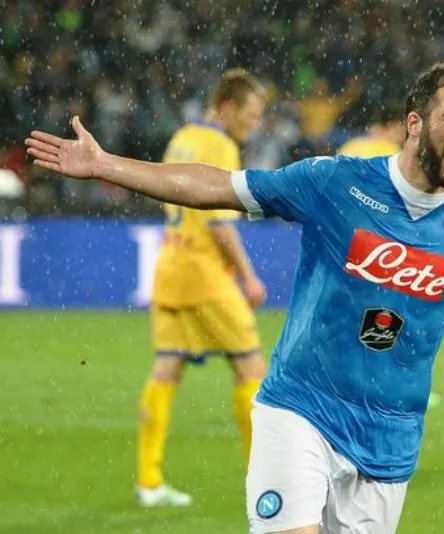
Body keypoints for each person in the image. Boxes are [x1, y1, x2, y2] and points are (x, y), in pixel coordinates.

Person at [27, 62, 444, 534]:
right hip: (300, 411)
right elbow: (220, 186)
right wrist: (108, 166)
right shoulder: (335, 183)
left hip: (389, 443)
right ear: (416, 123)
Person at [135, 69, 269, 506]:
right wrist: (247, 275)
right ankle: (264, 479)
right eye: (251, 114)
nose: (255, 123)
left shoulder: (183, 137)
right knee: (252, 370)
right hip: (204, 272)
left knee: (166, 369)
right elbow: (218, 221)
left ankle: (148, 482)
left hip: (170, 264)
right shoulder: (219, 144)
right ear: (228, 106)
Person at [337, 105, 405, 158]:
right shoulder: (393, 153)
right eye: (404, 129)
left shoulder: (351, 145)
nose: (405, 135)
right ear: (391, 125)